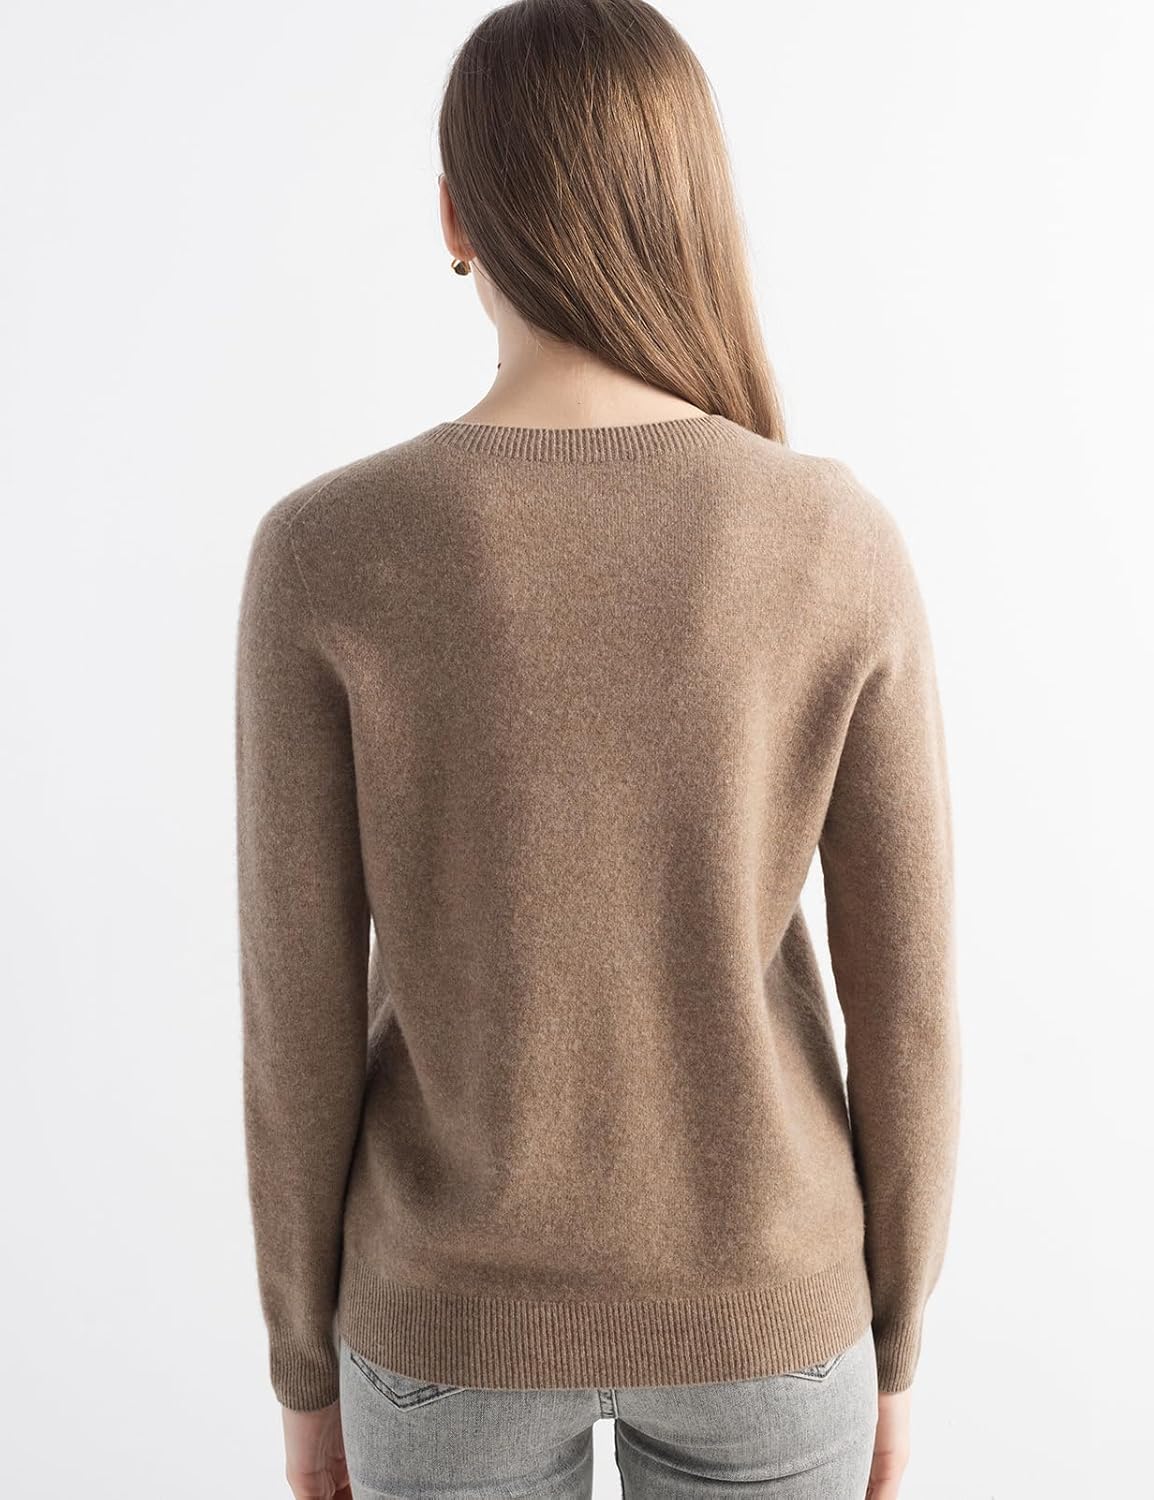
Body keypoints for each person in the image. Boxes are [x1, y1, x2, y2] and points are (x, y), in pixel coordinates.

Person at [234, 2, 961, 1497]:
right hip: (773, 1316)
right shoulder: (830, 535)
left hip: (440, 1328)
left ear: (454, 218)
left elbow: (291, 1016)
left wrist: (304, 1365)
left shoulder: (326, 549)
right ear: (687, 205)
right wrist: (892, 1342)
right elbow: (911, 1009)